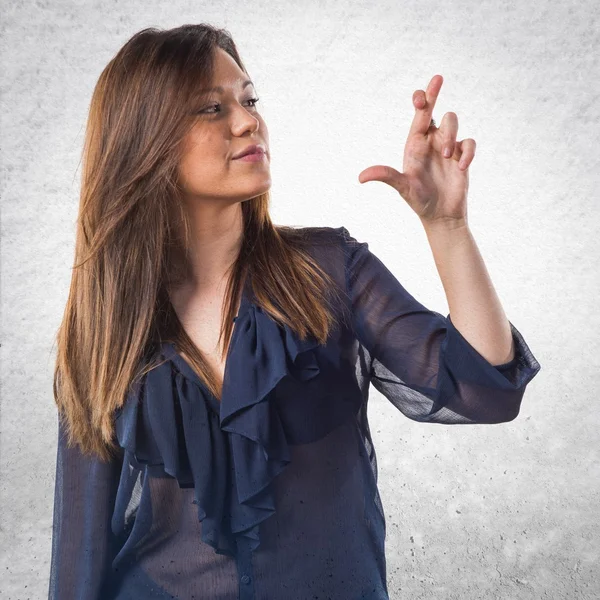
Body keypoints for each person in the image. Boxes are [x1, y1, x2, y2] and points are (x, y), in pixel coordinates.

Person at [48, 23, 541, 600]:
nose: (247, 120)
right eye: (211, 107)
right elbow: (79, 557)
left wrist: (448, 227)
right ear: (142, 140)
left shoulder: (329, 271)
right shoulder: (105, 329)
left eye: (249, 99)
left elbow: (485, 392)